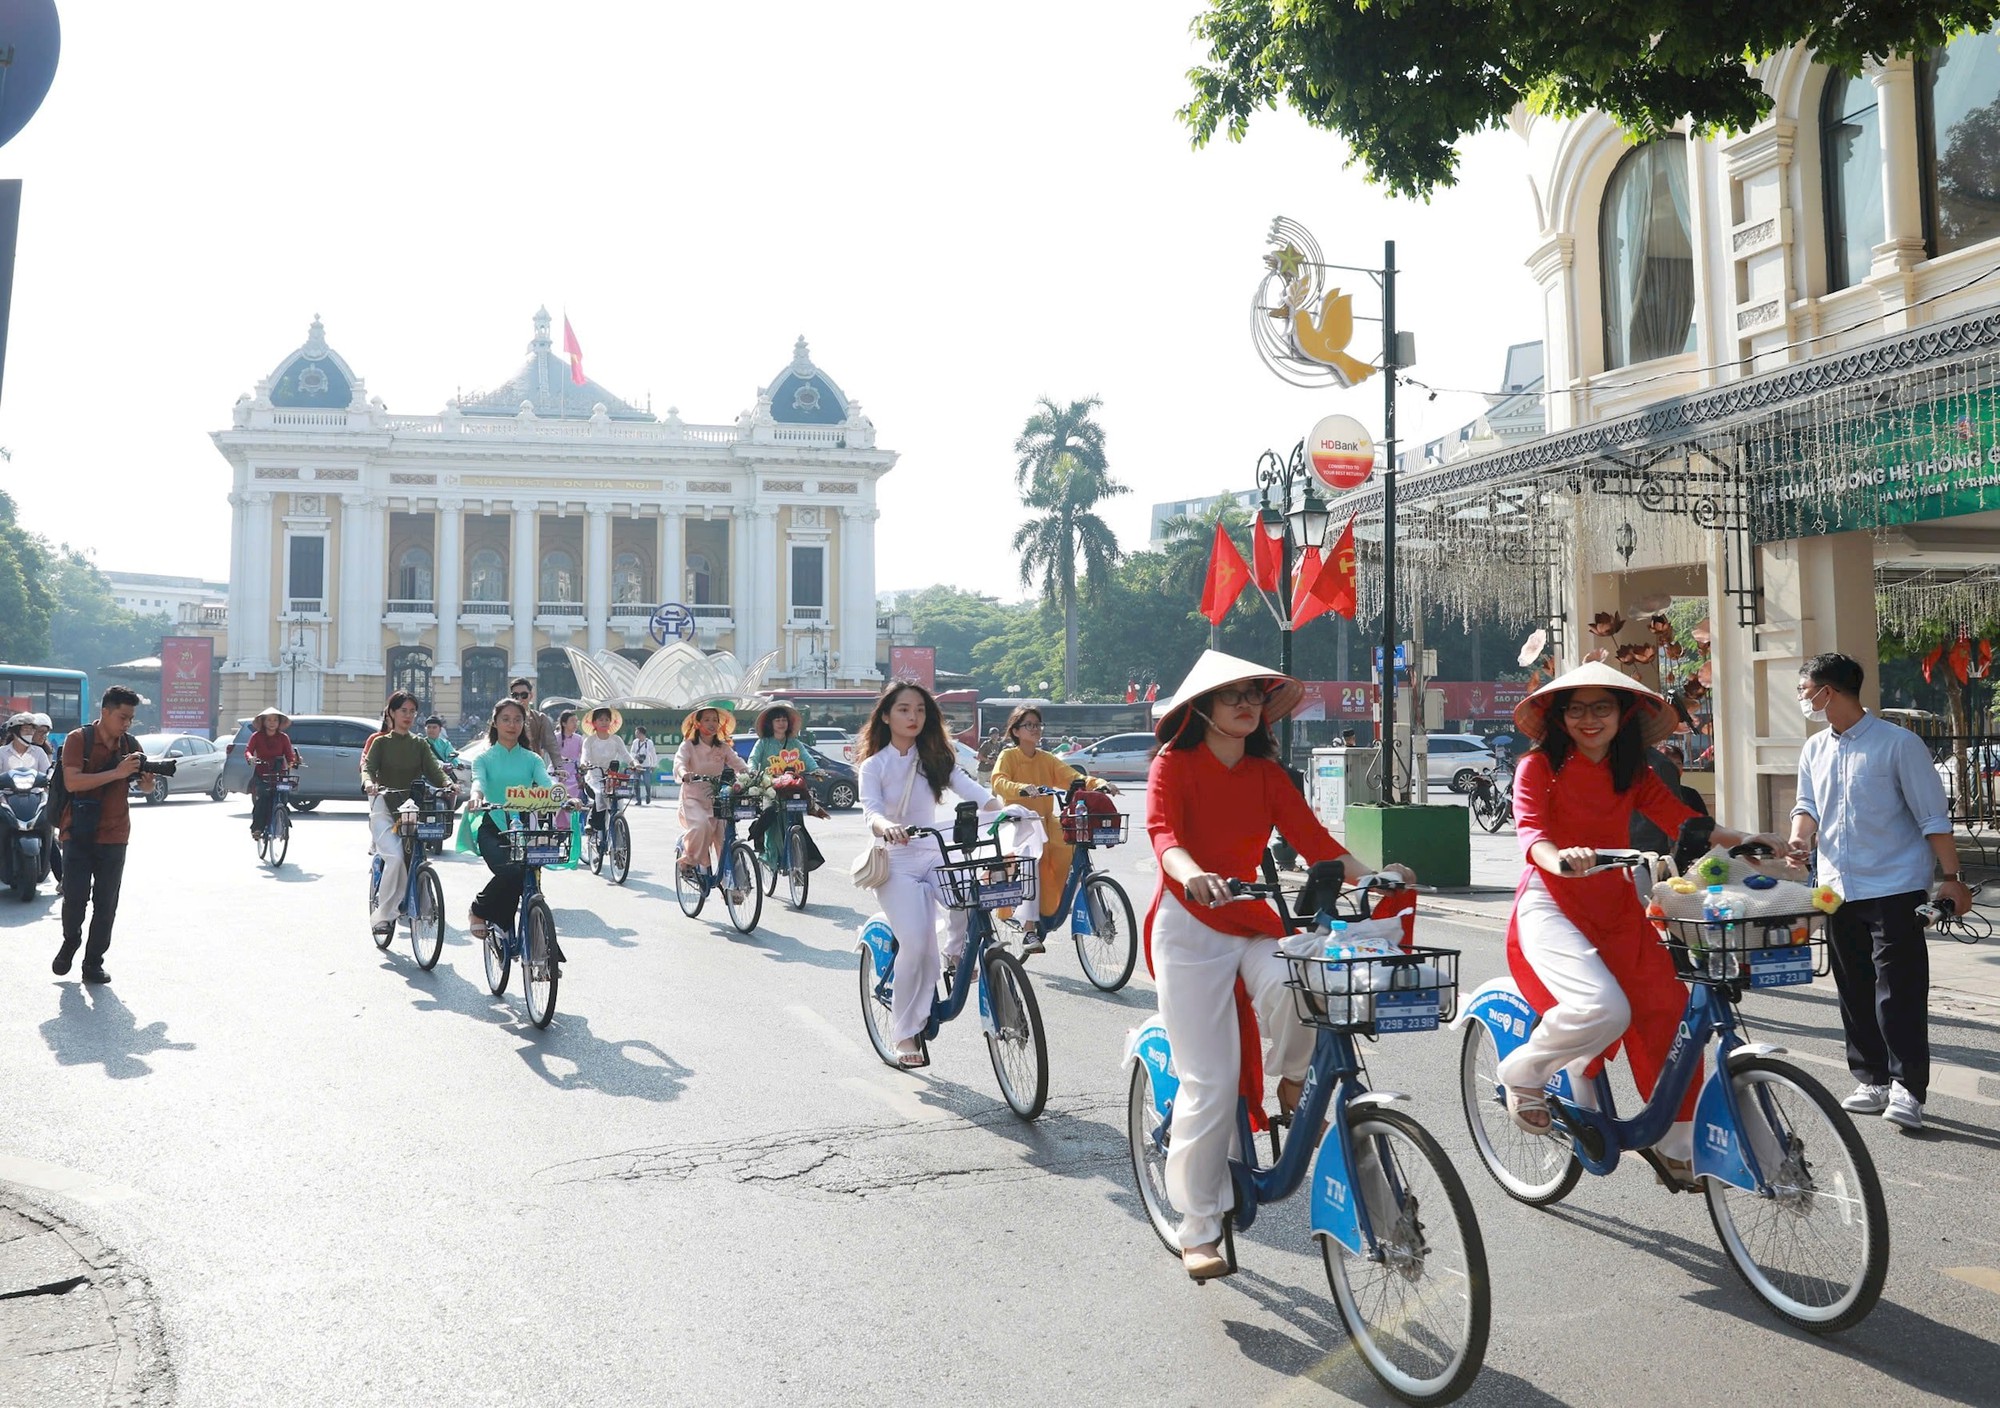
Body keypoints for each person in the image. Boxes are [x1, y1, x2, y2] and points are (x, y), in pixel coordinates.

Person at [1144, 651, 1389, 1281]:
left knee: (1296, 981)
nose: (1248, 705)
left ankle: (1290, 1080)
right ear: (1200, 709)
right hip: (1188, 928)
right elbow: (1163, 837)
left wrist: (1380, 877)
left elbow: (1315, 842)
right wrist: (1192, 874)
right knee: (1211, 1083)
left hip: (1249, 918)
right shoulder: (1173, 765)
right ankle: (1198, 1231)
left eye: (1255, 695)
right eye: (1233, 697)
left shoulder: (1267, 775)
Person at [1495, 662, 1773, 1188]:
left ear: (1624, 714)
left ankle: (1676, 1141)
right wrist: (1560, 860)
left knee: (1667, 1009)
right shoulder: (1539, 767)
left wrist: (1749, 840)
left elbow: (1682, 820)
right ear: (1559, 717)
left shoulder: (1633, 772)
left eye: (1602, 707)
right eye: (1576, 709)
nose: (1589, 719)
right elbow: (1530, 831)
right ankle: (1523, 1073)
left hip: (1619, 906)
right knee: (1603, 1009)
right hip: (1551, 902)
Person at [1787, 652, 1968, 1133]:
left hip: (1895, 885)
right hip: (1836, 887)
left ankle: (1908, 1086)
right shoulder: (1815, 750)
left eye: (1805, 690)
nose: (1803, 698)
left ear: (1829, 692)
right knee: (1853, 986)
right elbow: (1807, 804)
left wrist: (1951, 876)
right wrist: (1800, 838)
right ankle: (1871, 1079)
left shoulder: (1898, 745)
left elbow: (1933, 817)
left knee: (1899, 991)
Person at [858, 681, 1022, 1069]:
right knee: (916, 944)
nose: (913, 716)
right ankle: (904, 1033)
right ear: (886, 715)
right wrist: (885, 826)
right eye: (903, 709)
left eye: (919, 710)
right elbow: (870, 810)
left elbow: (971, 789)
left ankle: (954, 956)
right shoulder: (874, 765)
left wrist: (1003, 808)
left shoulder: (934, 758)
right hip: (896, 861)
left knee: (970, 895)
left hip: (934, 853)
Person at [988, 704, 1119, 955]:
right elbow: (999, 781)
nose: (1035, 729)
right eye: (1029, 725)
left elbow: (1073, 778)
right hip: (1020, 823)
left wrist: (1101, 784)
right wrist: (1021, 789)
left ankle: (1056, 904)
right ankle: (1028, 929)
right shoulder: (1009, 756)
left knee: (1069, 853)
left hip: (1047, 822)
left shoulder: (1046, 759)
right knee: (1033, 864)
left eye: (1038, 725)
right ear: (1016, 730)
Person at [53, 686, 147, 984]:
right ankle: (71, 941)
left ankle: (93, 963)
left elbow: (143, 789)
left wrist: (146, 780)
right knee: (74, 898)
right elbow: (72, 782)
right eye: (122, 717)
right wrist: (117, 773)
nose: (127, 724)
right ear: (105, 712)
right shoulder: (79, 739)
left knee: (106, 904)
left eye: (131, 718)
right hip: (77, 831)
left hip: (116, 834)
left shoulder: (131, 744)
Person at [467, 696, 561, 958]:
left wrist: (562, 797)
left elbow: (545, 784)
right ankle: (479, 907)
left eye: (518, 719)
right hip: (493, 826)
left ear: (524, 724)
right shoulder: (483, 759)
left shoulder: (532, 759)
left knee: (529, 881)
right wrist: (476, 797)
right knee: (512, 872)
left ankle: (540, 950)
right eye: (506, 719)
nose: (512, 724)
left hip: (526, 828)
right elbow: (479, 782)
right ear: (495, 723)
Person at [363, 692, 455, 941]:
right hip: (384, 809)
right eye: (403, 710)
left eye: (413, 711)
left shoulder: (419, 744)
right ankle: (384, 915)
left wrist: (448, 783)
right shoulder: (381, 743)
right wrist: (370, 783)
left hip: (412, 808)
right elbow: (368, 768)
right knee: (394, 857)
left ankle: (420, 902)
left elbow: (434, 771)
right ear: (391, 713)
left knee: (415, 855)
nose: (409, 716)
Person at [746, 704, 825, 874]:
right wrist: (752, 770)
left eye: (784, 720)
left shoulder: (795, 743)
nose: (781, 723)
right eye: (777, 720)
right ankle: (765, 845)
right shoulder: (763, 743)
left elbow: (807, 759)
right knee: (770, 814)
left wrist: (816, 769)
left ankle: (799, 856)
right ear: (771, 723)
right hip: (770, 787)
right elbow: (753, 759)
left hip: (791, 787)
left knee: (797, 818)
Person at [674, 707, 737, 879]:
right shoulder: (688, 746)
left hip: (717, 799)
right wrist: (684, 774)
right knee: (701, 825)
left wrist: (751, 776)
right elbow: (679, 763)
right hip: (693, 797)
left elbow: (738, 763)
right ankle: (688, 861)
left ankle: (733, 884)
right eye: (707, 719)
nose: (712, 723)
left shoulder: (723, 747)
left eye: (715, 720)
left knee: (726, 837)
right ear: (698, 723)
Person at [578, 706, 634, 844]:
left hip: (612, 778)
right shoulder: (589, 740)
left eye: (607, 719)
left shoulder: (616, 739)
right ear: (594, 723)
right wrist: (584, 764)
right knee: (600, 793)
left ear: (611, 722)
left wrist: (634, 764)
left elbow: (626, 755)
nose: (604, 722)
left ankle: (619, 845)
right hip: (594, 777)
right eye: (600, 719)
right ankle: (592, 822)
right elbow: (585, 756)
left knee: (618, 806)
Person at [244, 706, 301, 841]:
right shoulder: (256, 736)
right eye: (269, 720)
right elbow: (248, 751)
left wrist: (295, 761)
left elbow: (289, 756)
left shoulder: (283, 738)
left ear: (279, 722)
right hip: (262, 774)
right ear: (263, 722)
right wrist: (250, 758)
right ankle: (257, 828)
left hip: (279, 774)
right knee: (263, 797)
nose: (272, 723)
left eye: (275, 720)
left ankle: (281, 819)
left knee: (284, 796)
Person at [508, 678, 558, 766]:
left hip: (533, 768)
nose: (519, 699)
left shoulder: (540, 718)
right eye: (515, 695)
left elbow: (551, 745)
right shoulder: (503, 719)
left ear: (531, 695)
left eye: (524, 695)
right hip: (509, 767)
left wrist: (559, 766)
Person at [631, 725, 658, 806]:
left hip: (646, 766)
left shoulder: (649, 742)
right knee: (636, 782)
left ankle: (648, 795)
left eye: (637, 733)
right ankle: (638, 800)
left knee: (647, 783)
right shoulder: (635, 742)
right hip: (637, 765)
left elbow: (653, 754)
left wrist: (653, 765)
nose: (636, 734)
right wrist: (635, 761)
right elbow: (631, 752)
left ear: (642, 733)